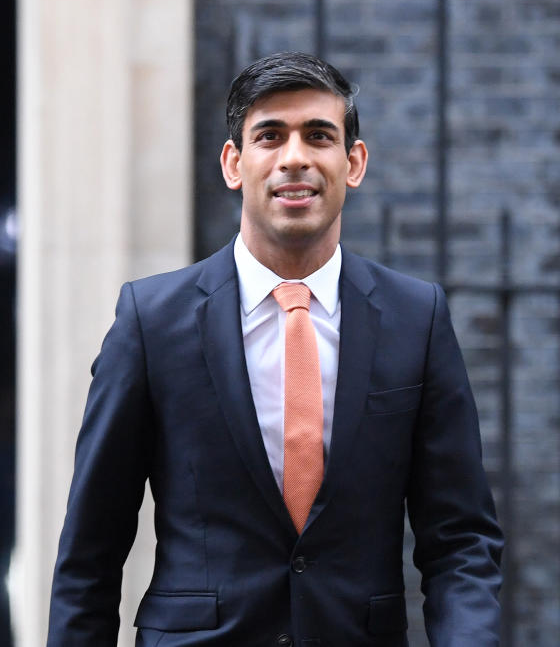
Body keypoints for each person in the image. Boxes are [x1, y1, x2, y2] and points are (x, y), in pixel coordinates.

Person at [46, 52, 503, 646]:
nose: (295, 158)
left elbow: (461, 543)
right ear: (234, 163)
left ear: (353, 162)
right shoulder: (151, 321)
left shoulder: (417, 320)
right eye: (270, 136)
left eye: (319, 136)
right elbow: (91, 553)